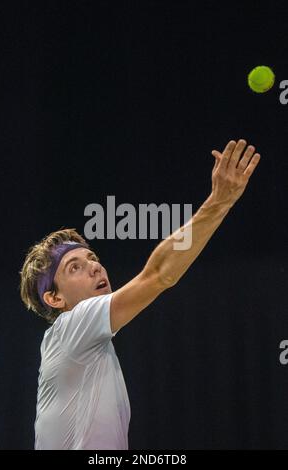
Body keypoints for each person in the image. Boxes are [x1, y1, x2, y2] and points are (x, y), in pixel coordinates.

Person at [19, 139, 261, 450]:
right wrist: (219, 201)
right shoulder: (71, 328)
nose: (94, 268)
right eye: (74, 267)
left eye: (92, 258)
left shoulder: (91, 348)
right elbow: (160, 275)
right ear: (54, 299)